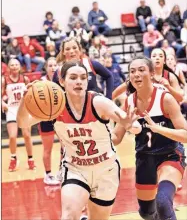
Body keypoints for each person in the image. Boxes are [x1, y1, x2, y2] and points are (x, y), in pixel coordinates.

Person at [17, 59, 139, 220]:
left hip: (106, 170)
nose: (79, 82)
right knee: (68, 216)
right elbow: (22, 122)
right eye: (73, 77)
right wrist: (24, 102)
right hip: (75, 169)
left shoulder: (98, 102)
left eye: (83, 77)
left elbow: (136, 127)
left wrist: (128, 124)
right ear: (62, 81)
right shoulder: (54, 106)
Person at [112, 56, 187, 220]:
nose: (136, 74)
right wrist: (98, 132)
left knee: (162, 202)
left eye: (141, 70)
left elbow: (185, 134)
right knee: (146, 212)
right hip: (144, 158)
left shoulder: (165, 99)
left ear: (152, 74)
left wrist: (159, 129)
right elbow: (116, 138)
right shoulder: (129, 102)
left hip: (170, 155)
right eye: (132, 71)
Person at [112, 48, 184, 103]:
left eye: (160, 56)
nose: (157, 58)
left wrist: (168, 87)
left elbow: (180, 98)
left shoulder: (170, 76)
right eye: (154, 56)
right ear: (150, 59)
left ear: (164, 61)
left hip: (166, 112)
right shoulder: (142, 74)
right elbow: (117, 92)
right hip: (146, 111)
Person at [1, 58, 36, 171]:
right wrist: (2, 103)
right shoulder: (4, 80)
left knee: (27, 135)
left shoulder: (25, 79)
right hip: (11, 109)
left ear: (20, 66)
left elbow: (31, 93)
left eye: (16, 64)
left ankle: (30, 159)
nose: (15, 66)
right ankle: (13, 158)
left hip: (23, 109)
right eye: (12, 65)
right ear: (9, 67)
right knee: (12, 136)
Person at [38, 57, 60, 185]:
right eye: (50, 65)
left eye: (55, 65)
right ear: (46, 68)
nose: (53, 67)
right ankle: (48, 174)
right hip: (45, 118)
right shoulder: (41, 82)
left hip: (60, 118)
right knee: (48, 149)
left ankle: (62, 171)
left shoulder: (62, 81)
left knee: (65, 147)